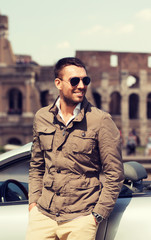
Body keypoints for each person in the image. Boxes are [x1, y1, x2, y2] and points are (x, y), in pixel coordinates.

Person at [26, 57, 124, 240]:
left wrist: (96, 216)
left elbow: (114, 174)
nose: (81, 85)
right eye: (74, 80)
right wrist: (33, 204)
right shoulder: (42, 117)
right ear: (58, 83)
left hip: (81, 218)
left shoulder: (100, 120)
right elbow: (36, 166)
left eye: (85, 80)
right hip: (43, 215)